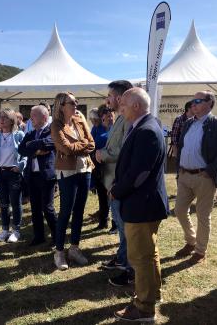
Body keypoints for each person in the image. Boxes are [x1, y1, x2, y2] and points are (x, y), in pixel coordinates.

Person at [111, 87, 168, 323]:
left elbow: (139, 174)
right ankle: (152, 294)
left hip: (141, 205)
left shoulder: (146, 130)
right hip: (144, 203)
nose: (119, 108)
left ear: (135, 106)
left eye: (123, 105)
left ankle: (144, 308)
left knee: (141, 257)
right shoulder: (146, 126)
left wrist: (117, 190)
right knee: (149, 253)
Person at [174, 91, 217, 264]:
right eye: (192, 100)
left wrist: (210, 170)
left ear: (209, 103)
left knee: (203, 215)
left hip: (204, 177)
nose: (193, 104)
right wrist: (179, 170)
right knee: (179, 210)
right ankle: (191, 241)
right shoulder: (188, 123)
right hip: (185, 175)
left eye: (197, 101)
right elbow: (181, 147)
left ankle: (200, 250)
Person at [95, 80, 135, 286]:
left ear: (119, 98)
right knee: (121, 226)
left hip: (119, 182)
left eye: (109, 95)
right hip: (112, 181)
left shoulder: (128, 120)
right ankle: (122, 258)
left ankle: (129, 266)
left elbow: (125, 151)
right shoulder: (120, 118)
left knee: (125, 226)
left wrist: (103, 154)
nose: (106, 99)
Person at [51, 92, 95, 270]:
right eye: (72, 102)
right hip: (67, 172)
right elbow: (65, 149)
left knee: (79, 210)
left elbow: (92, 144)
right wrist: (82, 146)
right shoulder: (56, 125)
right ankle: (59, 251)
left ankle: (74, 248)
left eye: (76, 101)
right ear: (61, 105)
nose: (76, 104)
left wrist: (79, 147)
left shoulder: (80, 120)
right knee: (66, 211)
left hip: (85, 168)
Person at [18, 105, 57, 246]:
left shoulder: (52, 130)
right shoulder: (30, 133)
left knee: (47, 208)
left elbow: (50, 143)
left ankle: (57, 236)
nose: (30, 118)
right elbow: (21, 149)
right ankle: (39, 236)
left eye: (34, 115)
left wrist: (32, 144)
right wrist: (35, 151)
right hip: (32, 176)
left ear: (44, 117)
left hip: (46, 175)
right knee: (35, 209)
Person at [0, 108, 26, 243]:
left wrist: (20, 166)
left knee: (16, 203)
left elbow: (26, 155)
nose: (1, 120)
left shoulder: (19, 135)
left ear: (12, 121)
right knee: (3, 203)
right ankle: (5, 229)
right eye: (0, 117)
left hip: (14, 173)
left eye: (5, 117)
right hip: (0, 173)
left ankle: (16, 230)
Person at [89, 106, 109, 229]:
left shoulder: (106, 129)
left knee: (106, 194)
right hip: (97, 166)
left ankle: (106, 220)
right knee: (102, 195)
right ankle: (103, 220)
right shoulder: (96, 129)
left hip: (106, 165)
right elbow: (90, 144)